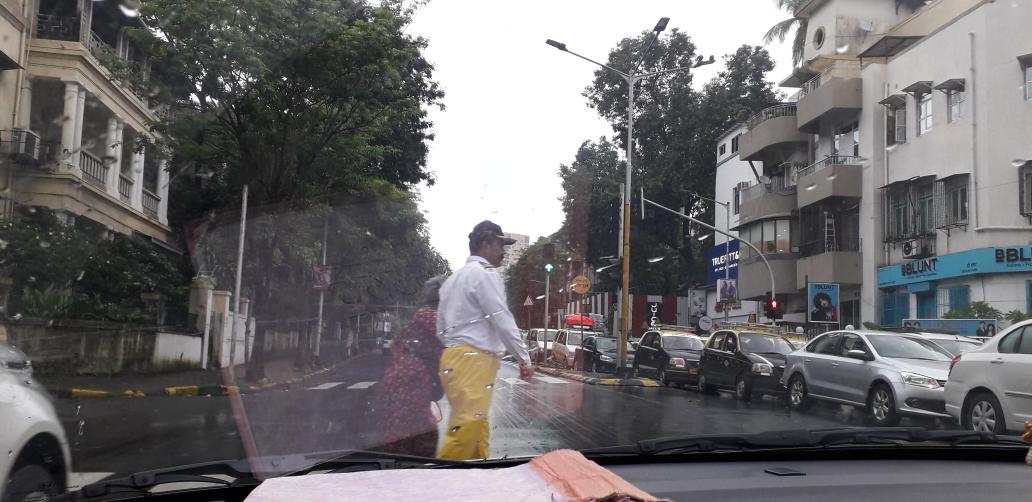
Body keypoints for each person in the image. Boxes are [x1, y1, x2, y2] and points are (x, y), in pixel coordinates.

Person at [436, 220, 534, 460]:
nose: (504, 252)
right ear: (486, 245)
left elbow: (440, 328)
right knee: (468, 427)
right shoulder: (485, 275)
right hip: (474, 359)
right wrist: (524, 359)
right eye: (501, 246)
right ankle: (443, 478)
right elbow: (502, 318)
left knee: (478, 428)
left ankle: (478, 473)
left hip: (452, 357)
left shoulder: (452, 280)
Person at [378, 276, 448, 457]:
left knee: (403, 430)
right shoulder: (432, 317)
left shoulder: (425, 315)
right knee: (418, 435)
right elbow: (453, 340)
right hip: (411, 380)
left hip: (406, 378)